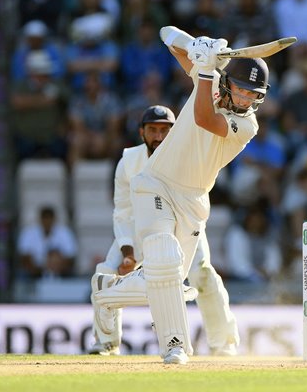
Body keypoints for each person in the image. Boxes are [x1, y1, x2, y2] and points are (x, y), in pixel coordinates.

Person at [91, 26, 270, 364]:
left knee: (167, 280)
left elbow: (204, 118)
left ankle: (107, 292)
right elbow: (165, 34)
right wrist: (198, 47)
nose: (247, 100)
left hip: (194, 200)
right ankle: (175, 346)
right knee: (163, 256)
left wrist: (205, 68)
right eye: (243, 91)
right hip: (156, 183)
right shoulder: (212, 81)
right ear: (229, 83)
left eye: (253, 95)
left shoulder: (247, 125)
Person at [89, 105, 240, 357]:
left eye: (164, 131)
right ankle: (106, 342)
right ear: (142, 132)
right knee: (105, 271)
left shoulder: (188, 156)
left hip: (183, 225)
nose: (158, 137)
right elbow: (123, 211)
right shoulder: (128, 161)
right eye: (152, 130)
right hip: (142, 228)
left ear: (174, 132)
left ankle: (223, 342)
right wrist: (128, 252)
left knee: (201, 273)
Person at [17, 206, 77, 279]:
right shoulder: (29, 233)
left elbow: (70, 258)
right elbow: (24, 257)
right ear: (40, 219)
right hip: (35, 271)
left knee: (72, 274)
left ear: (54, 219)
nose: (47, 222)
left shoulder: (64, 233)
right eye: (45, 219)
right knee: (22, 274)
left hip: (60, 271)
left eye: (49, 219)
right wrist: (40, 269)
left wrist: (56, 267)